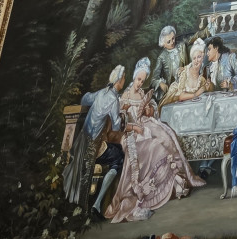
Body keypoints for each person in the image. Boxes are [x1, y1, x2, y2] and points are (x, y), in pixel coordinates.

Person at [105, 57, 205, 223]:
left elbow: (150, 112)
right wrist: (131, 121)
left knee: (166, 137)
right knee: (154, 146)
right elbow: (120, 123)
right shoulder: (124, 97)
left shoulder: (142, 93)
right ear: (134, 77)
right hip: (131, 133)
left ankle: (174, 181)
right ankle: (150, 190)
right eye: (138, 79)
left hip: (145, 126)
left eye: (143, 80)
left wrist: (149, 110)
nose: (140, 83)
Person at [62, 65, 126, 219]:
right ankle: (97, 204)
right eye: (124, 78)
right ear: (119, 81)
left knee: (116, 149)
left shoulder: (102, 92)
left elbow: (85, 98)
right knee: (120, 157)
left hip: (82, 142)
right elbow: (116, 126)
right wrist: (123, 115)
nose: (124, 80)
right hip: (95, 147)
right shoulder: (113, 99)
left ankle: (97, 204)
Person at [161, 38, 214, 104]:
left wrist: (209, 86)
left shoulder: (201, 78)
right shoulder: (185, 73)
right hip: (175, 104)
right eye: (194, 58)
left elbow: (207, 90)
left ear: (203, 58)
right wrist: (196, 94)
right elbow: (181, 96)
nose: (196, 61)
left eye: (199, 57)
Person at [151, 25, 187, 101]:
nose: (172, 42)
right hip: (172, 90)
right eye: (168, 42)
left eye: (173, 38)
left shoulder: (181, 46)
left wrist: (185, 69)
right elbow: (154, 79)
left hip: (186, 84)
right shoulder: (162, 57)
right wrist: (160, 83)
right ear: (163, 45)